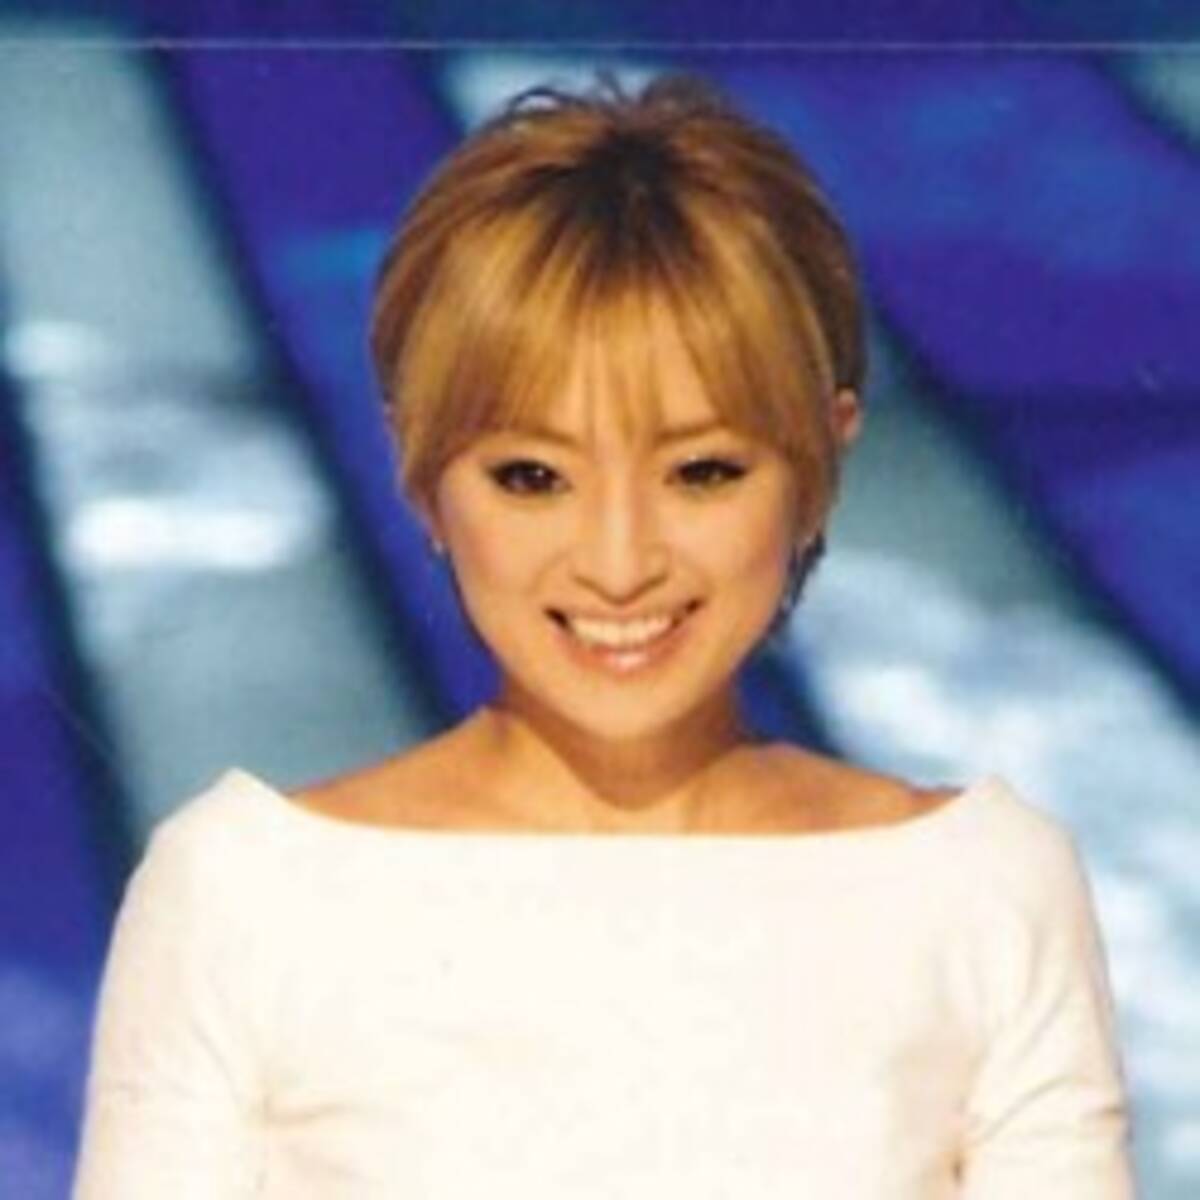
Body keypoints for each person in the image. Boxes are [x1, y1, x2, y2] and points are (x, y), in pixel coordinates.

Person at [72, 72, 1136, 1198]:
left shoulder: (983, 892)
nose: (619, 562)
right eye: (532, 477)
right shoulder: (242, 897)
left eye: (701, 472)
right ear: (420, 473)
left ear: (822, 461)